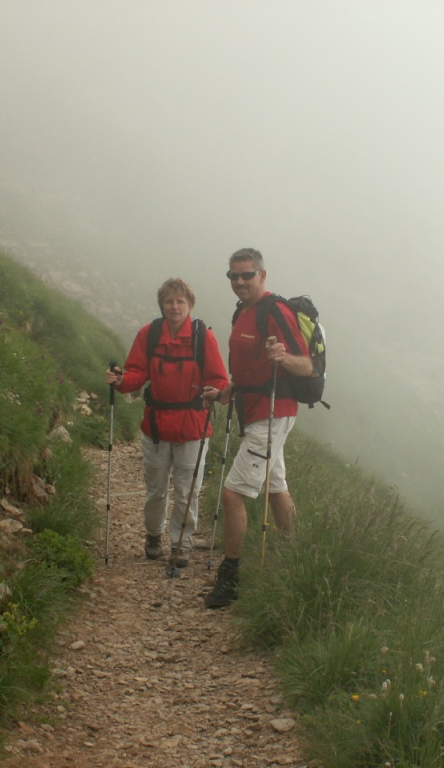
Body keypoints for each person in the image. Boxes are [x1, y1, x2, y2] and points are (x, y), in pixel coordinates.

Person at [201, 248, 312, 608]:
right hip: (254, 410)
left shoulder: (274, 311)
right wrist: (225, 392)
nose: (239, 281)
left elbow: (307, 365)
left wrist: (284, 357)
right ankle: (292, 558)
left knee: (233, 494)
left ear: (262, 275)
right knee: (275, 486)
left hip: (272, 412)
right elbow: (248, 370)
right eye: (233, 276)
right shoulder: (243, 312)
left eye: (246, 275)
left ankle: (231, 578)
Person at [107, 278, 228, 567]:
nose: (174, 307)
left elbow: (219, 379)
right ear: (162, 305)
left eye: (180, 301)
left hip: (192, 426)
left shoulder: (203, 337)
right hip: (157, 426)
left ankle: (181, 544)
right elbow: (137, 372)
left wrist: (218, 393)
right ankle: (154, 535)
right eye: (169, 301)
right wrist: (121, 380)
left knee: (187, 490)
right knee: (156, 490)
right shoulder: (150, 334)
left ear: (190, 305)